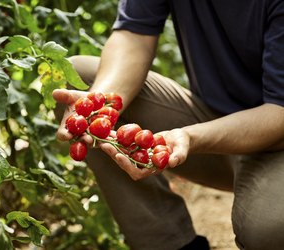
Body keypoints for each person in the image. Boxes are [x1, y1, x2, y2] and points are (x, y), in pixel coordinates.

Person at [53, 0, 284, 249]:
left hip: (276, 139)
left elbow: (279, 112)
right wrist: (100, 106)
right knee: (82, 79)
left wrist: (191, 137)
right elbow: (134, 36)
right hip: (211, 120)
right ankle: (174, 245)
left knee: (268, 229)